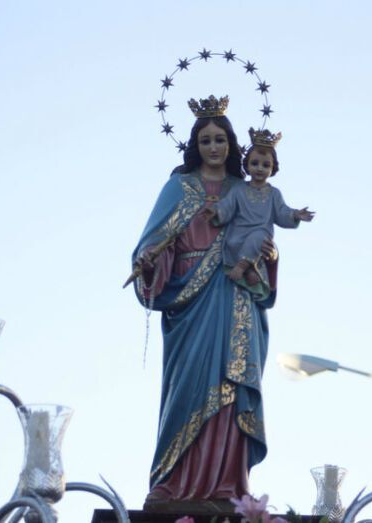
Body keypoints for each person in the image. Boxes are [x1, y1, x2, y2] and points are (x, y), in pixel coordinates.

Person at [131, 95, 277, 507]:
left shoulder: (246, 190)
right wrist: (149, 262)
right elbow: (153, 242)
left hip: (236, 296)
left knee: (231, 384)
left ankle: (228, 485)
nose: (214, 147)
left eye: (220, 140)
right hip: (190, 302)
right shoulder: (177, 188)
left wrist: (270, 259)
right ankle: (172, 480)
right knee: (187, 387)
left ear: (232, 145)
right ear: (196, 146)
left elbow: (262, 238)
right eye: (206, 140)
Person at [201, 128, 314, 289]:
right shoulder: (239, 189)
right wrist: (215, 211)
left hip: (260, 235)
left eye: (265, 165)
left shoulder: (274, 193)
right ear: (247, 165)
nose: (260, 168)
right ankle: (249, 270)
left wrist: (295, 214)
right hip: (237, 235)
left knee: (259, 238)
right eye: (255, 163)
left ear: (272, 168)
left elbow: (282, 212)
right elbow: (228, 205)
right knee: (236, 242)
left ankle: (242, 267)